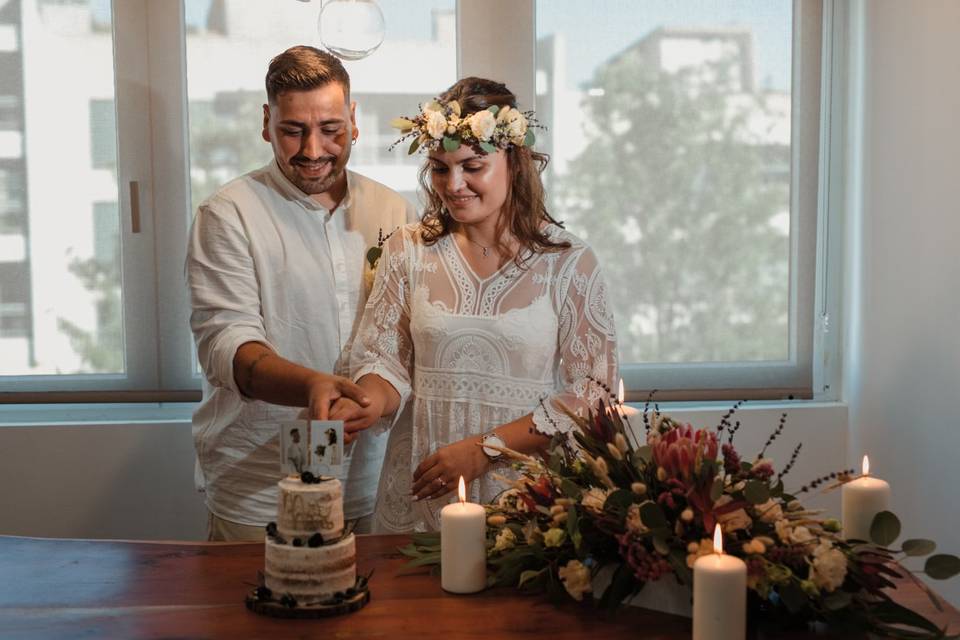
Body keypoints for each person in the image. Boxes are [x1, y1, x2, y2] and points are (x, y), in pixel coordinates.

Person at [339, 77, 618, 532]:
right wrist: (366, 403)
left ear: (514, 161)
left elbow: (592, 395)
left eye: (472, 166)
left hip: (528, 498)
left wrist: (484, 450)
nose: (454, 185)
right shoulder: (407, 251)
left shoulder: (569, 263)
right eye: (440, 167)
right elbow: (384, 359)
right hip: (425, 486)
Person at [187, 45, 417, 541]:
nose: (313, 150)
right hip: (260, 489)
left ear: (354, 121)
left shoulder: (395, 212)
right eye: (293, 130)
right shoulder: (227, 214)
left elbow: (408, 340)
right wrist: (313, 386)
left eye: (331, 129)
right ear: (267, 122)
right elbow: (225, 344)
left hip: (370, 481)